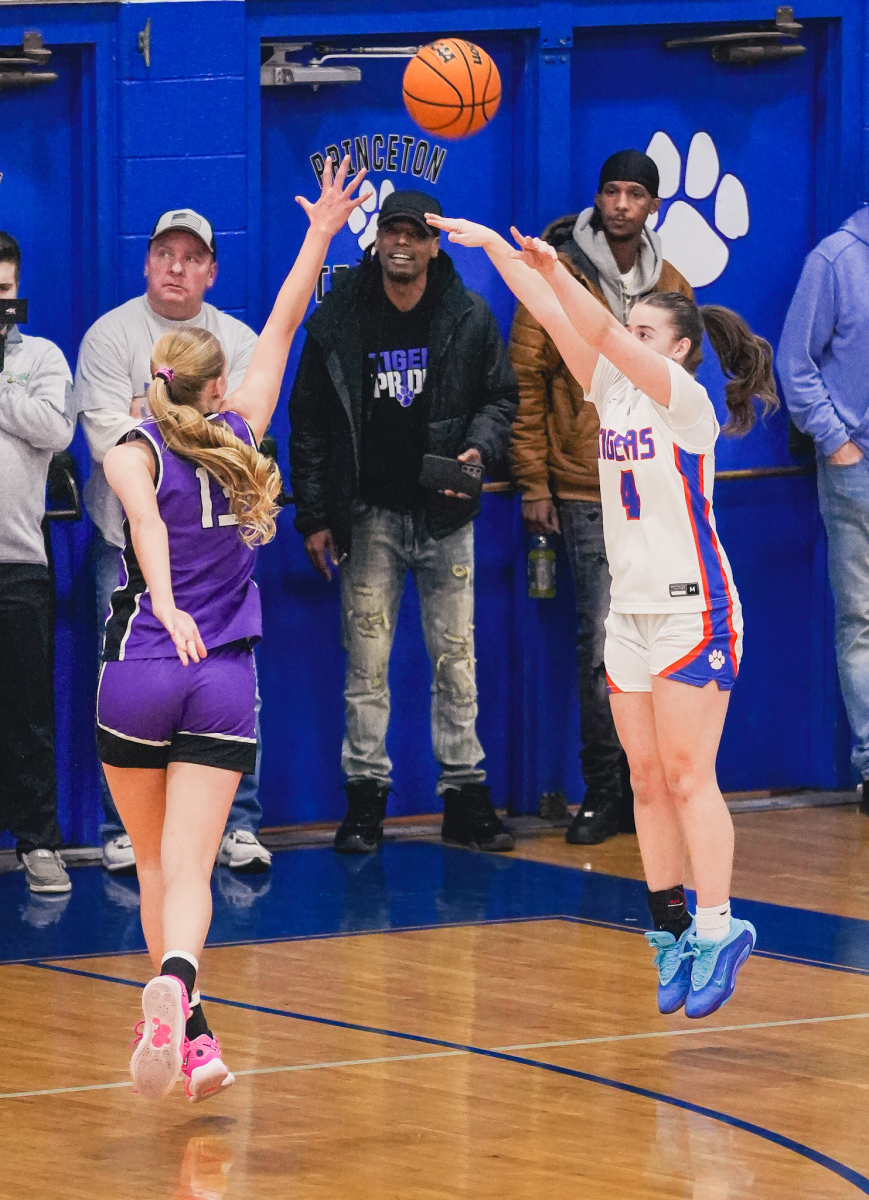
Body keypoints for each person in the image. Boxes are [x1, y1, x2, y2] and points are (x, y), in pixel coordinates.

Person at [427, 210, 776, 1017]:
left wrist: (558, 269)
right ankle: (671, 929)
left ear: (677, 349)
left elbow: (598, 329)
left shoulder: (683, 400)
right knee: (644, 781)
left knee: (688, 776)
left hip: (693, 610)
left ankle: (720, 926)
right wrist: (498, 251)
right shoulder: (612, 390)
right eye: (631, 326)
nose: (628, 336)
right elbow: (558, 320)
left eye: (646, 331)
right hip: (630, 616)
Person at [98, 158, 368, 1102]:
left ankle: (187, 1024)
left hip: (139, 667)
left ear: (155, 382)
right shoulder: (244, 437)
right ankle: (185, 1004)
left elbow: (141, 524)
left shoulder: (131, 447)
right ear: (218, 388)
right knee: (193, 869)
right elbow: (284, 321)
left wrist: (163, 600)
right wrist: (320, 231)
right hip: (219, 677)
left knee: (151, 863)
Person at [289, 189, 519, 854]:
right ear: (377, 240)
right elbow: (308, 422)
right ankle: (365, 800)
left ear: (434, 245)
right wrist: (314, 515)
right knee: (366, 665)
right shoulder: (340, 316)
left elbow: (500, 398)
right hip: (368, 515)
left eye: (414, 234)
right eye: (391, 230)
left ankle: (465, 796)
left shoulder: (468, 315)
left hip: (445, 513)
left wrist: (478, 446)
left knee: (456, 660)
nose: (401, 242)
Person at [76, 208, 272, 875]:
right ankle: (126, 832)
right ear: (146, 262)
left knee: (232, 683)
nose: (176, 267)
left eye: (191, 257)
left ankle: (236, 825)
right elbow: (108, 437)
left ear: (212, 271)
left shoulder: (235, 338)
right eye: (164, 253)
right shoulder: (111, 334)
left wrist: (156, 416)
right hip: (125, 552)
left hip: (215, 558)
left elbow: (234, 434)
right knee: (127, 682)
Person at [510, 149, 693, 845]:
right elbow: (526, 382)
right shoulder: (559, 269)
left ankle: (659, 788)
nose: (620, 204)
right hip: (585, 486)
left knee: (665, 642)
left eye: (634, 194)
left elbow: (684, 386)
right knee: (603, 645)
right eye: (610, 191)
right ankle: (606, 791)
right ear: (597, 197)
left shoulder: (671, 283)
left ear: (651, 206)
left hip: (658, 490)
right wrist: (533, 481)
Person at [777, 208, 869, 805]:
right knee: (862, 617)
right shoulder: (835, 260)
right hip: (856, 467)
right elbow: (795, 361)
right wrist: (835, 441)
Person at [0, 231, 75, 895]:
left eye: (3, 291)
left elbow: (56, 429)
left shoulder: (42, 357)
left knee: (28, 714)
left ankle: (39, 842)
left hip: (19, 561)